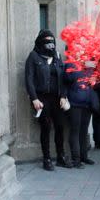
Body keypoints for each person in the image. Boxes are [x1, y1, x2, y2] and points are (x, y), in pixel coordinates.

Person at [24, 29, 70, 171]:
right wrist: (34, 99)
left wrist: (63, 95)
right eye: (46, 40)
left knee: (60, 127)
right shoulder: (33, 56)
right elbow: (29, 79)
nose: (50, 43)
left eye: (52, 40)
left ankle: (61, 156)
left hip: (57, 98)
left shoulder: (57, 56)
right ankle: (47, 158)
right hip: (42, 98)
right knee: (45, 128)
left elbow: (63, 78)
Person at [63, 58, 97, 168]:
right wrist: (82, 66)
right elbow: (69, 78)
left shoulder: (89, 63)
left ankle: (84, 156)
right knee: (75, 131)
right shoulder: (70, 64)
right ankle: (76, 160)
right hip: (75, 104)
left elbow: (93, 78)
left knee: (84, 130)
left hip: (87, 103)